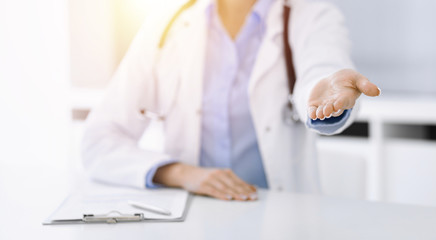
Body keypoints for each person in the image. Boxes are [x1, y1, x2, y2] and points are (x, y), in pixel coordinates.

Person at [82, 0, 380, 201]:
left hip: (279, 217)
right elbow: (99, 140)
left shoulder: (310, 13)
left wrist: (326, 96)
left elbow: (322, 67)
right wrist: (178, 173)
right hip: (192, 216)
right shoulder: (166, 22)